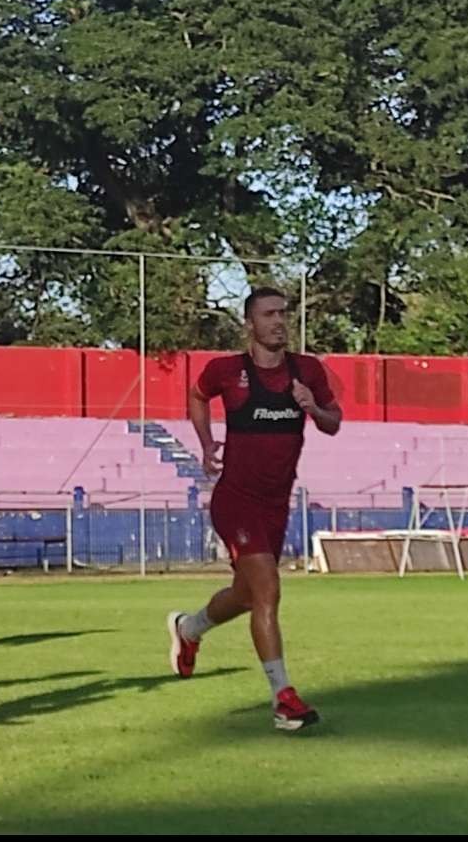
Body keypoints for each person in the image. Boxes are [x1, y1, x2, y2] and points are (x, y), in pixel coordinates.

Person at [168, 287, 342, 731]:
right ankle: (284, 698)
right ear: (250, 323)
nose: (279, 322)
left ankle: (189, 629)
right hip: (236, 501)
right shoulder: (227, 370)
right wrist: (206, 444)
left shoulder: (307, 371)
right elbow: (196, 394)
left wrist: (314, 407)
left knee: (247, 596)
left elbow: (334, 423)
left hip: (276, 505)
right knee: (268, 590)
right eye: (269, 315)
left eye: (284, 313)